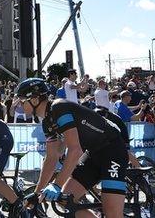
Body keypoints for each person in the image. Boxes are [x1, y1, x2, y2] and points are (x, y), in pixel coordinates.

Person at [18, 77, 127, 218]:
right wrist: (37, 192)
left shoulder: (59, 108)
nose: (19, 104)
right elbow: (52, 158)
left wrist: (56, 185)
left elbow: (75, 150)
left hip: (112, 151)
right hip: (93, 153)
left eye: (22, 101)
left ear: (34, 100)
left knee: (112, 213)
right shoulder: (47, 122)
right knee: (65, 200)